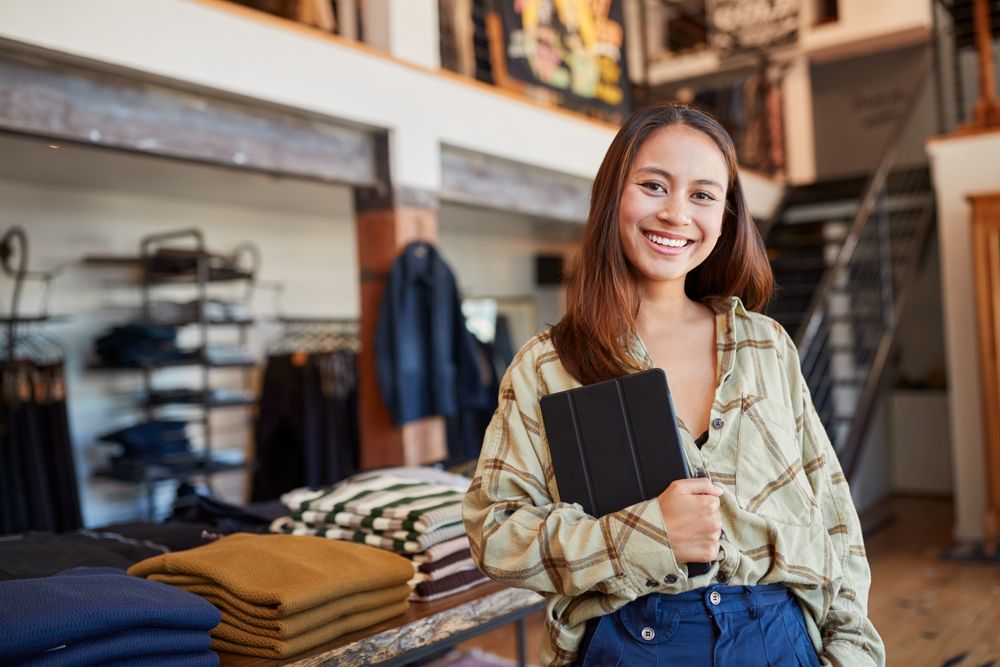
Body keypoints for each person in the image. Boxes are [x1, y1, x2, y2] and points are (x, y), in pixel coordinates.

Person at [462, 102, 884, 666]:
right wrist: (646, 532)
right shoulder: (548, 364)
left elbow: (832, 507)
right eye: (654, 185)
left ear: (727, 215)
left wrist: (854, 647)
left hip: (780, 637)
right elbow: (495, 531)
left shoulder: (765, 345)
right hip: (632, 642)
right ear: (613, 195)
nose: (676, 213)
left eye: (703, 195)